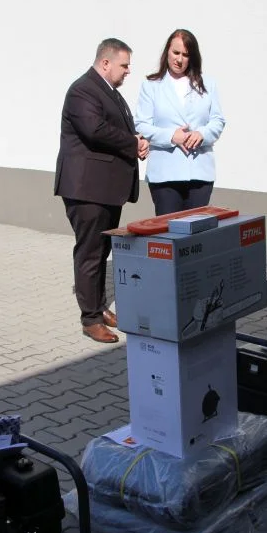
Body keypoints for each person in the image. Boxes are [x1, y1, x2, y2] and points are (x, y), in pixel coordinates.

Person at [54, 38, 150, 344]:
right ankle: (90, 319)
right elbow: (94, 130)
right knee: (90, 253)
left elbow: (116, 130)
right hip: (87, 190)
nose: (128, 71)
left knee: (101, 250)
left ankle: (98, 306)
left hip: (105, 189)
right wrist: (132, 143)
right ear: (105, 63)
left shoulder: (109, 92)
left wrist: (137, 140)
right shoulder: (82, 90)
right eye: (124, 65)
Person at [135, 29, 225, 216]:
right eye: (176, 53)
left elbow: (217, 120)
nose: (179, 59)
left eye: (185, 55)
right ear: (167, 51)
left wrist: (202, 134)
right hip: (165, 173)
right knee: (168, 228)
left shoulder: (208, 84)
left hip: (199, 171)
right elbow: (141, 124)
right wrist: (171, 136)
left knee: (196, 229)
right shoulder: (151, 85)